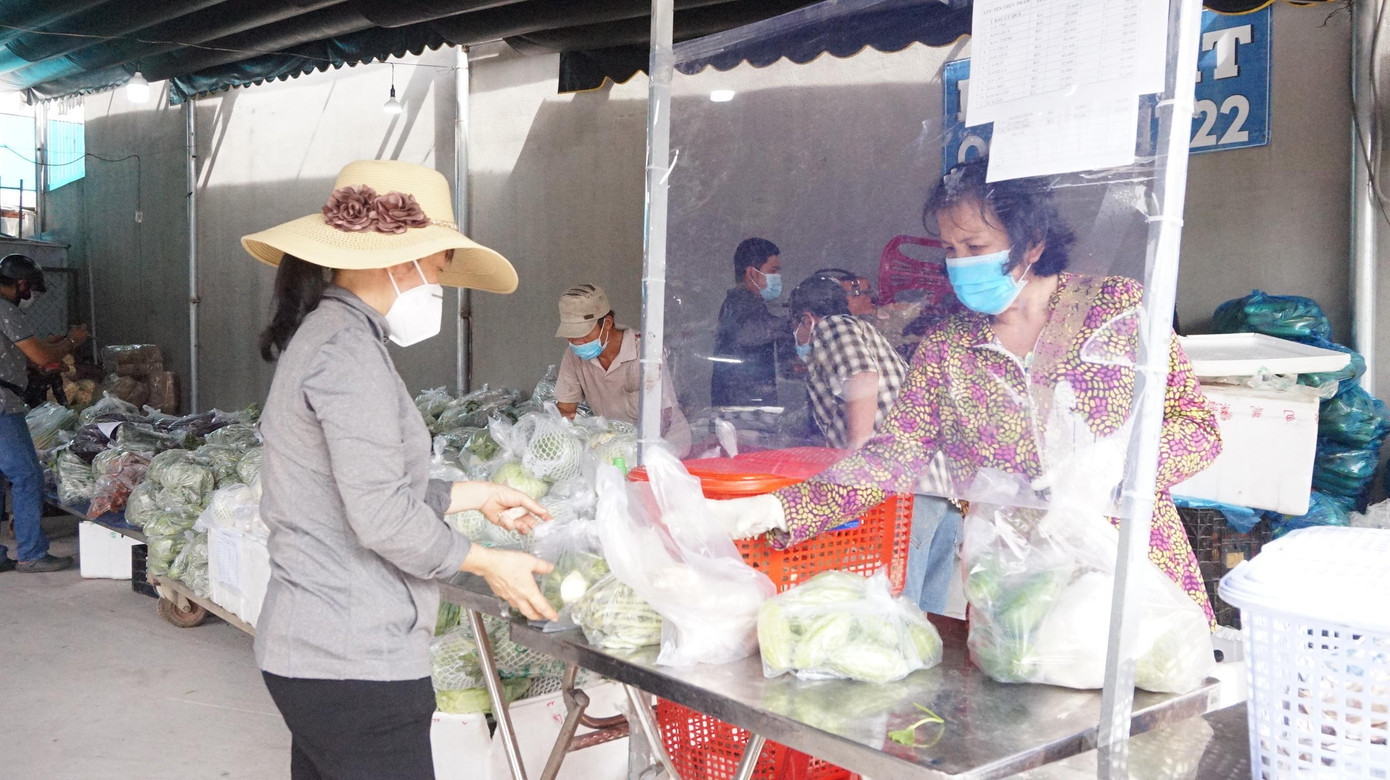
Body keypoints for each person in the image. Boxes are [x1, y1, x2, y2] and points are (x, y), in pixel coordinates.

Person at [711, 159, 1222, 625]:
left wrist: (1115, 465)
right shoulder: (950, 346)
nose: (960, 263)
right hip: (1017, 590)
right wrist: (783, 509)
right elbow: (894, 455)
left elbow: (1197, 429)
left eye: (976, 247)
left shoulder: (1115, 308)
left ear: (1033, 241)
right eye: (952, 250)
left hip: (1134, 575)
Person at [240, 160, 559, 780]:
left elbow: (357, 489)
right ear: (400, 260)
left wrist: (475, 494)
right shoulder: (346, 352)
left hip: (319, 653)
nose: (441, 281)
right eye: (439, 266)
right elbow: (381, 516)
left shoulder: (336, 336)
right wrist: (490, 563)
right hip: (352, 660)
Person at [0, 253, 88, 573]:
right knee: (27, 475)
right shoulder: (6, 309)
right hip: (1, 406)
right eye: (32, 289)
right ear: (21, 284)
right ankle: (32, 553)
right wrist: (70, 342)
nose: (32, 296)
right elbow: (38, 356)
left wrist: (49, 346)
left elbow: (16, 352)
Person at [553, 283, 691, 456]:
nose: (577, 342)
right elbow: (566, 411)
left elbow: (663, 417)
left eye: (583, 334)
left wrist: (632, 450)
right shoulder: (573, 357)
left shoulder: (645, 351)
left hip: (665, 443)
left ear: (607, 323)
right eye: (571, 336)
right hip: (617, 446)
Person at [788, 276, 907, 451]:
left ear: (807, 320)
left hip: (887, 462)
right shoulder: (856, 330)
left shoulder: (833, 325)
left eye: (793, 324)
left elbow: (862, 377)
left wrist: (856, 453)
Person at [711, 237, 789, 407]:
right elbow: (750, 332)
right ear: (752, 273)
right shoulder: (738, 303)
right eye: (773, 270)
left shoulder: (752, 303)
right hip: (742, 408)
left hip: (749, 407)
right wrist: (795, 323)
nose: (778, 277)